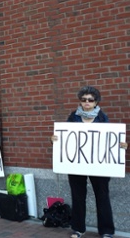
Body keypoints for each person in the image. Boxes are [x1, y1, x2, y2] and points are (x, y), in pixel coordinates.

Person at [51, 86, 128, 238]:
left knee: (102, 196)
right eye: (83, 100)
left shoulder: (102, 118)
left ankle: (106, 231)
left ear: (96, 102)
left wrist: (121, 145)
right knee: (78, 197)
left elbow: (109, 140)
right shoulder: (73, 118)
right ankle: (78, 228)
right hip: (76, 164)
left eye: (90, 100)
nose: (87, 102)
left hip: (99, 166)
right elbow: (66, 139)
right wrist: (55, 140)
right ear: (80, 102)